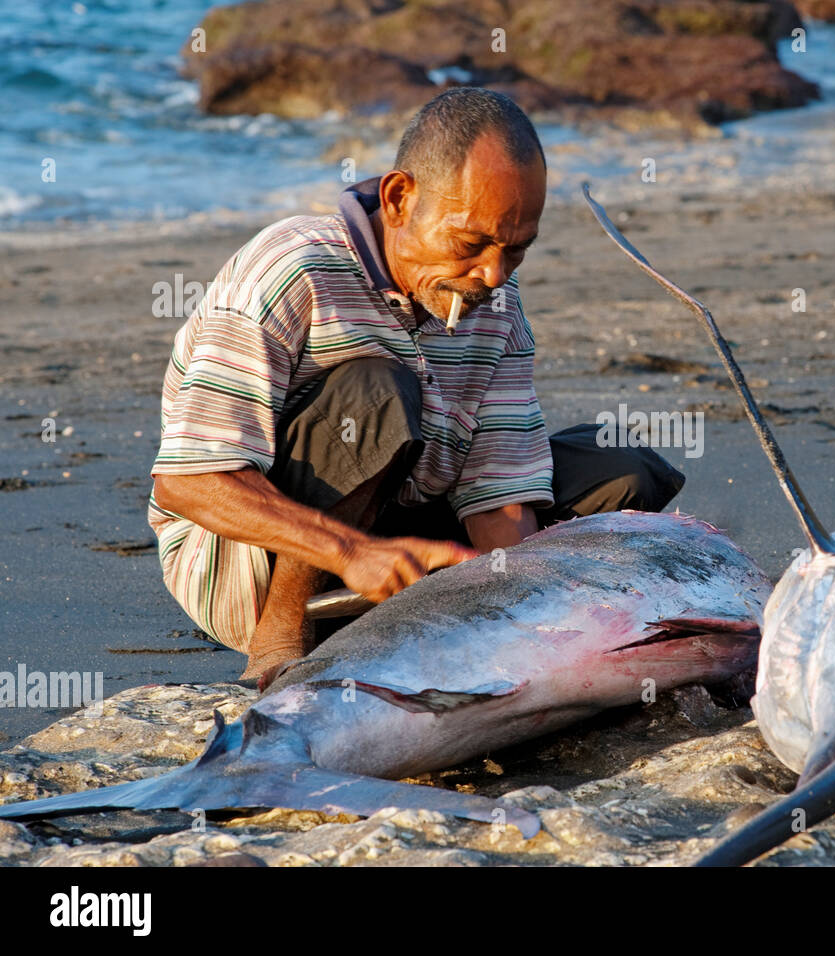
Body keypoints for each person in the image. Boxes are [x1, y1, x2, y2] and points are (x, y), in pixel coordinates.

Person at [148, 88, 684, 687]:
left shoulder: (497, 306)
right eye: (470, 244)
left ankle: (451, 620)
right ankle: (283, 640)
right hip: (249, 571)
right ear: (400, 199)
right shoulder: (292, 270)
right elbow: (189, 481)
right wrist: (350, 553)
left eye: (516, 251)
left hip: (402, 548)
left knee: (623, 472)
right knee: (376, 392)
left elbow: (499, 491)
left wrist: (513, 604)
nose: (491, 274)